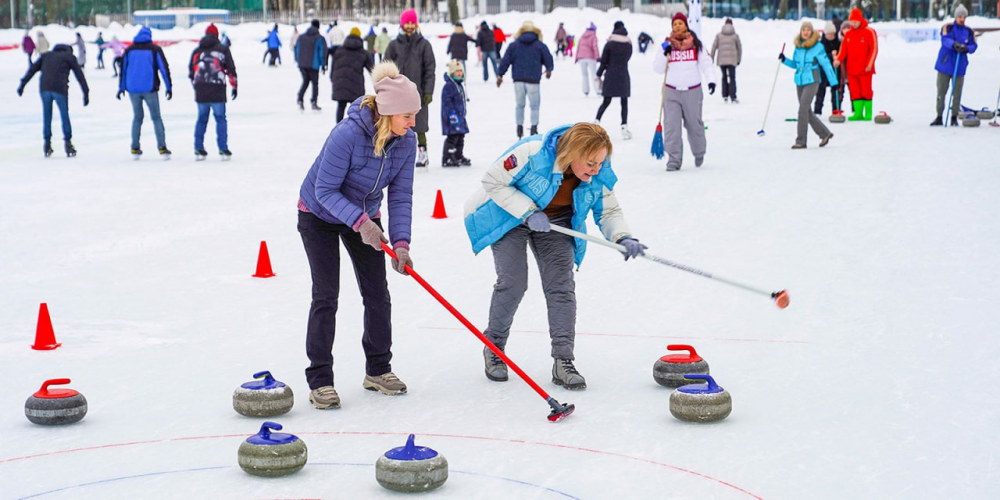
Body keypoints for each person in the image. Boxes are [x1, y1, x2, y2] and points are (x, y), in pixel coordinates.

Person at [463, 122, 646, 390]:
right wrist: (527, 210)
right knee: (513, 282)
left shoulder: (598, 170)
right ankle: (494, 348)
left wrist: (623, 237)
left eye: (600, 163)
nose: (596, 170)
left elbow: (608, 211)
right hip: (509, 215)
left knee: (561, 286)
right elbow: (492, 180)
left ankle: (563, 361)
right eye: (591, 163)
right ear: (573, 153)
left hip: (555, 222)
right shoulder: (532, 152)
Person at [297, 61, 420, 409]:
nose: (413, 123)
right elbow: (325, 190)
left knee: (377, 294)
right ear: (389, 113)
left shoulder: (406, 142)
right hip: (318, 214)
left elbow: (401, 194)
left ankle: (378, 370)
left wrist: (401, 243)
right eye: (407, 116)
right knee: (326, 295)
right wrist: (362, 223)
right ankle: (320, 379)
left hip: (366, 215)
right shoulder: (347, 134)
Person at [654, 12, 716, 171]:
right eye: (675, 24)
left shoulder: (696, 44)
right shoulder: (667, 45)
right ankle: (674, 159)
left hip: (692, 91)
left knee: (694, 125)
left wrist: (711, 80)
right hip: (671, 91)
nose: (677, 26)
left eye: (680, 23)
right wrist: (663, 52)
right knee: (671, 127)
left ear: (686, 25)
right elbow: (658, 69)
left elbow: (706, 63)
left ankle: (699, 152)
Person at [17, 42, 89, 157]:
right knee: (64, 115)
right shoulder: (69, 57)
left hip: (45, 89)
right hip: (60, 89)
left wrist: (22, 84)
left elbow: (32, 70)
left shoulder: (46, 55)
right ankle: (68, 143)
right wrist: (86, 92)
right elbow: (80, 75)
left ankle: (47, 143)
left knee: (47, 116)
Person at [383, 9, 435, 168]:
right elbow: (386, 69)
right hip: (397, 95)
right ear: (402, 24)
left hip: (418, 94)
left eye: (412, 23)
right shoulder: (394, 45)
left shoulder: (424, 45)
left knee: (419, 126)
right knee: (395, 126)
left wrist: (428, 91)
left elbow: (430, 70)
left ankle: (422, 154)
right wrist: (387, 91)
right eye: (407, 23)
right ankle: (394, 156)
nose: (410, 26)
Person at [779, 21, 837, 149]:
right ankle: (825, 134)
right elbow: (795, 64)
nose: (805, 32)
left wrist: (833, 82)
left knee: (802, 110)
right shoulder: (798, 47)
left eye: (808, 30)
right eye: (803, 30)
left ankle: (801, 141)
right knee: (807, 111)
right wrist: (784, 60)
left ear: (811, 32)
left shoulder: (818, 47)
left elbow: (826, 64)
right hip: (800, 81)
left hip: (812, 80)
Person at [119, 26, 173, 159]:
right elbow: (163, 68)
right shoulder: (155, 49)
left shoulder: (129, 50)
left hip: (133, 89)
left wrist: (121, 88)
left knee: (137, 118)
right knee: (156, 117)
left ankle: (135, 147)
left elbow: (123, 70)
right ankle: (162, 147)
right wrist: (169, 86)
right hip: (150, 88)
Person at [497, 21, 554, 139]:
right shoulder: (539, 45)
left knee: (519, 105)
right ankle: (533, 128)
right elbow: (548, 58)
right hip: (533, 80)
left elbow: (505, 61)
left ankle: (519, 128)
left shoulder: (514, 45)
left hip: (518, 80)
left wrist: (500, 75)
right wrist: (549, 69)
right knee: (534, 106)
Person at [189, 23, 237, 161]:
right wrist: (234, 86)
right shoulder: (223, 49)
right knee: (220, 119)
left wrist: (196, 85)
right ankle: (223, 148)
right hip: (217, 90)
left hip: (201, 89)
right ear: (216, 35)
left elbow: (192, 70)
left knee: (202, 119)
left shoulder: (197, 51)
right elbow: (231, 68)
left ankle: (198, 148)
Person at [931, 4, 977, 126]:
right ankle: (939, 116)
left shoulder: (968, 31)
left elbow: (974, 45)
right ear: (956, 16)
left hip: (960, 66)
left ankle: (954, 117)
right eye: (960, 16)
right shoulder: (948, 27)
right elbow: (945, 39)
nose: (962, 19)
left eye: (964, 17)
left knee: (957, 93)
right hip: (945, 65)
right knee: (941, 92)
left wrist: (967, 48)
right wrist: (954, 45)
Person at [834, 8, 878, 121]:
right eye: (852, 21)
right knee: (855, 91)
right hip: (851, 69)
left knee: (866, 91)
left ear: (860, 20)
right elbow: (843, 49)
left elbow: (874, 49)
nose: (853, 23)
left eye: (855, 21)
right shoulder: (848, 34)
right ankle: (858, 113)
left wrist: (869, 63)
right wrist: (838, 59)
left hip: (865, 69)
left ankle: (868, 113)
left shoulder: (869, 32)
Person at [596, 21, 632, 140]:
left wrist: (599, 74)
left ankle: (596, 122)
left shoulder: (610, 44)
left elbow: (604, 61)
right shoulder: (628, 44)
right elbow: (628, 58)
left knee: (606, 101)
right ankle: (624, 127)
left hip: (611, 74)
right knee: (624, 102)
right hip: (623, 74)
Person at [331, 26, 374, 123]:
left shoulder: (339, 50)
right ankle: (355, 130)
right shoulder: (363, 53)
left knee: (341, 106)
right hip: (355, 84)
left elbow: (334, 67)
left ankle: (338, 128)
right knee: (356, 109)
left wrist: (333, 79)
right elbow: (372, 69)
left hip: (340, 83)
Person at [441, 60, 470, 167]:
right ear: (452, 72)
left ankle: (458, 155)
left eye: (460, 71)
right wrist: (451, 115)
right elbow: (447, 102)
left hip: (460, 116)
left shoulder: (459, 85)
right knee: (452, 137)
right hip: (452, 117)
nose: (459, 73)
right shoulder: (449, 86)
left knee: (461, 136)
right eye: (457, 71)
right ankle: (448, 157)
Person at [295, 19, 327, 111]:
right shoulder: (319, 38)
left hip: (303, 64)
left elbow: (297, 49)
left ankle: (300, 98)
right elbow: (322, 52)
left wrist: (299, 61)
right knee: (315, 84)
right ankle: (314, 102)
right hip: (314, 65)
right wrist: (323, 64)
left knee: (305, 81)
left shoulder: (301, 37)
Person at [710, 18, 741, 103]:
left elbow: (714, 47)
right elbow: (739, 48)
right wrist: (738, 59)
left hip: (722, 60)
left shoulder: (719, 36)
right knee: (732, 77)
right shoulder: (735, 36)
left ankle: (725, 95)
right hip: (732, 60)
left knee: (724, 77)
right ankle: (733, 96)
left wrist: (711, 58)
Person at [814, 21, 841, 115]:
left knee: (835, 89)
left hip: (835, 69)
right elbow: (820, 56)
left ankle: (836, 109)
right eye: (828, 33)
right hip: (823, 70)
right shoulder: (821, 44)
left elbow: (842, 53)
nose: (830, 35)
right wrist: (831, 55)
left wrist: (837, 57)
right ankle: (817, 110)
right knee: (820, 90)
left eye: (831, 33)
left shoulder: (838, 42)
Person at [575, 22, 600, 97]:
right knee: (594, 74)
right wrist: (597, 57)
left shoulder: (582, 36)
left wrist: (577, 58)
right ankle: (598, 90)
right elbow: (595, 47)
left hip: (581, 58)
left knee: (584, 75)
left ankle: (586, 91)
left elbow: (578, 47)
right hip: (590, 58)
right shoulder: (593, 36)